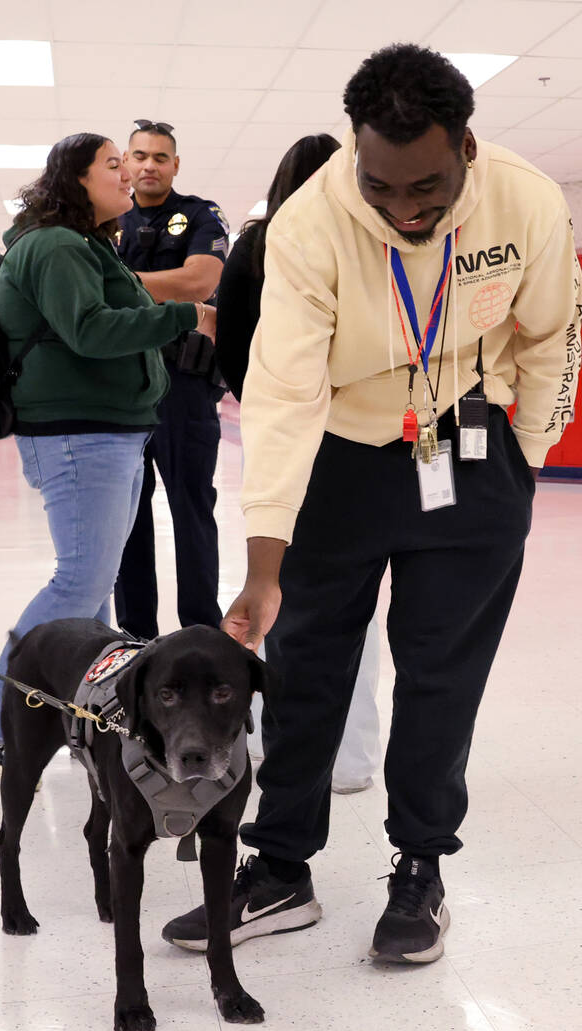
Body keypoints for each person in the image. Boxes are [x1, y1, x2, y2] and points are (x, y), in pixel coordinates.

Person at [162, 44, 582, 964]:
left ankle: (421, 867)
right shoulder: (311, 223)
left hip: (469, 454)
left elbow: (553, 334)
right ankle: (280, 870)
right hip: (342, 463)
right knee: (308, 667)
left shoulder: (526, 201)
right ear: (353, 149)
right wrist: (263, 565)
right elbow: (281, 393)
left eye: (425, 187)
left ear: (466, 146)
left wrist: (527, 461)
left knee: (442, 675)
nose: (401, 209)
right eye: (379, 185)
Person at [0, 132, 217, 778]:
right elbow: (91, 331)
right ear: (76, 179)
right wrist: (184, 317)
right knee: (77, 582)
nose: (128, 173)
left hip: (108, 431)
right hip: (77, 436)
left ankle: (83, 720)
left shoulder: (89, 243)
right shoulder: (57, 245)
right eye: (112, 164)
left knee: (93, 592)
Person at [219, 133, 383, 795]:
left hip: (283, 436)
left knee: (278, 589)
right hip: (356, 442)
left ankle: (274, 743)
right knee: (355, 600)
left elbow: (235, 354)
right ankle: (351, 757)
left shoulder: (257, 245)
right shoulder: (368, 246)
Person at [111, 120, 230, 639]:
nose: (149, 166)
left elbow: (201, 279)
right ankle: (135, 637)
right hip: (119, 389)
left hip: (184, 385)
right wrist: (166, 289)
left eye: (160, 157)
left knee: (193, 509)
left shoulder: (200, 215)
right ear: (126, 163)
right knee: (127, 518)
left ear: (175, 165)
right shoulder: (105, 220)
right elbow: (180, 289)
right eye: (139, 156)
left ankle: (201, 630)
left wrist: (115, 283)